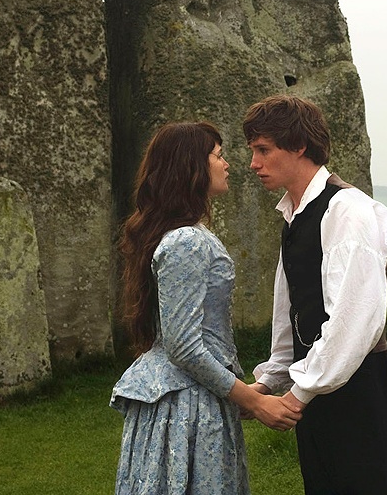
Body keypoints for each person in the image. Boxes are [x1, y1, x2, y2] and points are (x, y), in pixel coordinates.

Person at [110, 120, 301, 495]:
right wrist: (253, 401)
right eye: (218, 155)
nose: (227, 164)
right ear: (191, 167)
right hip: (186, 406)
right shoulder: (187, 241)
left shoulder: (183, 235)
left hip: (192, 395)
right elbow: (183, 346)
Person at [242, 94, 387, 495]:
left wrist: (296, 396)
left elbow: (354, 321)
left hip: (357, 393)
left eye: (263, 150)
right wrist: (270, 381)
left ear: (298, 145)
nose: (253, 163)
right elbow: (292, 310)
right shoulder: (293, 214)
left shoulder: (346, 211)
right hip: (316, 387)